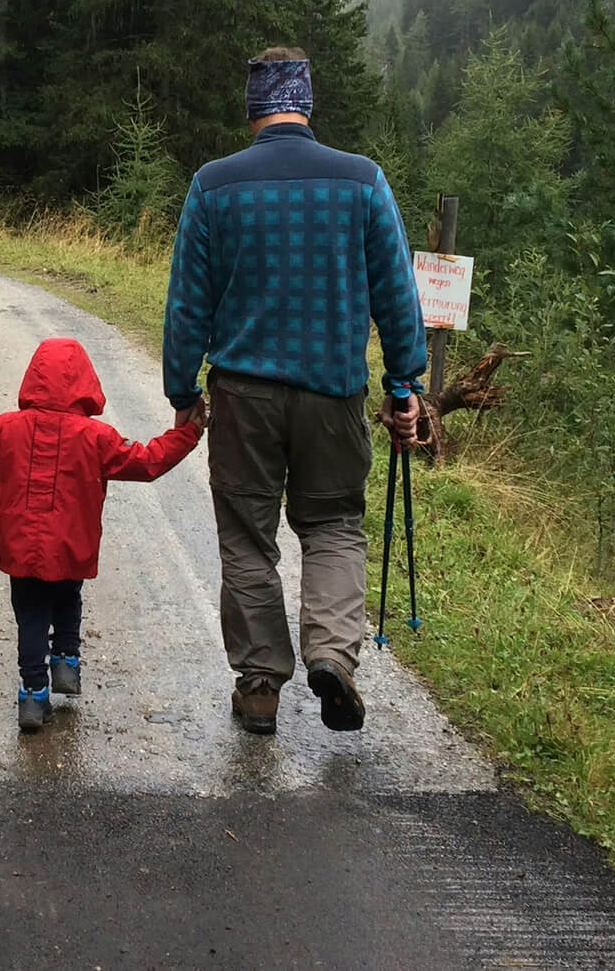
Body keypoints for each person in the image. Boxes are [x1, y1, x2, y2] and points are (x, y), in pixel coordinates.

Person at [163, 47, 426, 738]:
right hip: (334, 392)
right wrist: (406, 386)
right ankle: (332, 657)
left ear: (252, 107)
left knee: (248, 538)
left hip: (244, 397)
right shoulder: (363, 182)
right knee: (335, 524)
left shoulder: (213, 187)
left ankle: (259, 688)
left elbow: (187, 305)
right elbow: (397, 297)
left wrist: (180, 388)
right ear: (306, 102)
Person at [0, 338, 203, 732]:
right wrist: (187, 434)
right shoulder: (97, 437)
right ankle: (67, 660)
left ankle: (33, 694)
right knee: (68, 595)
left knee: (31, 614)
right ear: (86, 383)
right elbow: (147, 461)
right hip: (72, 545)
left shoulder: (8, 428)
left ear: (33, 379)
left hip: (22, 547)